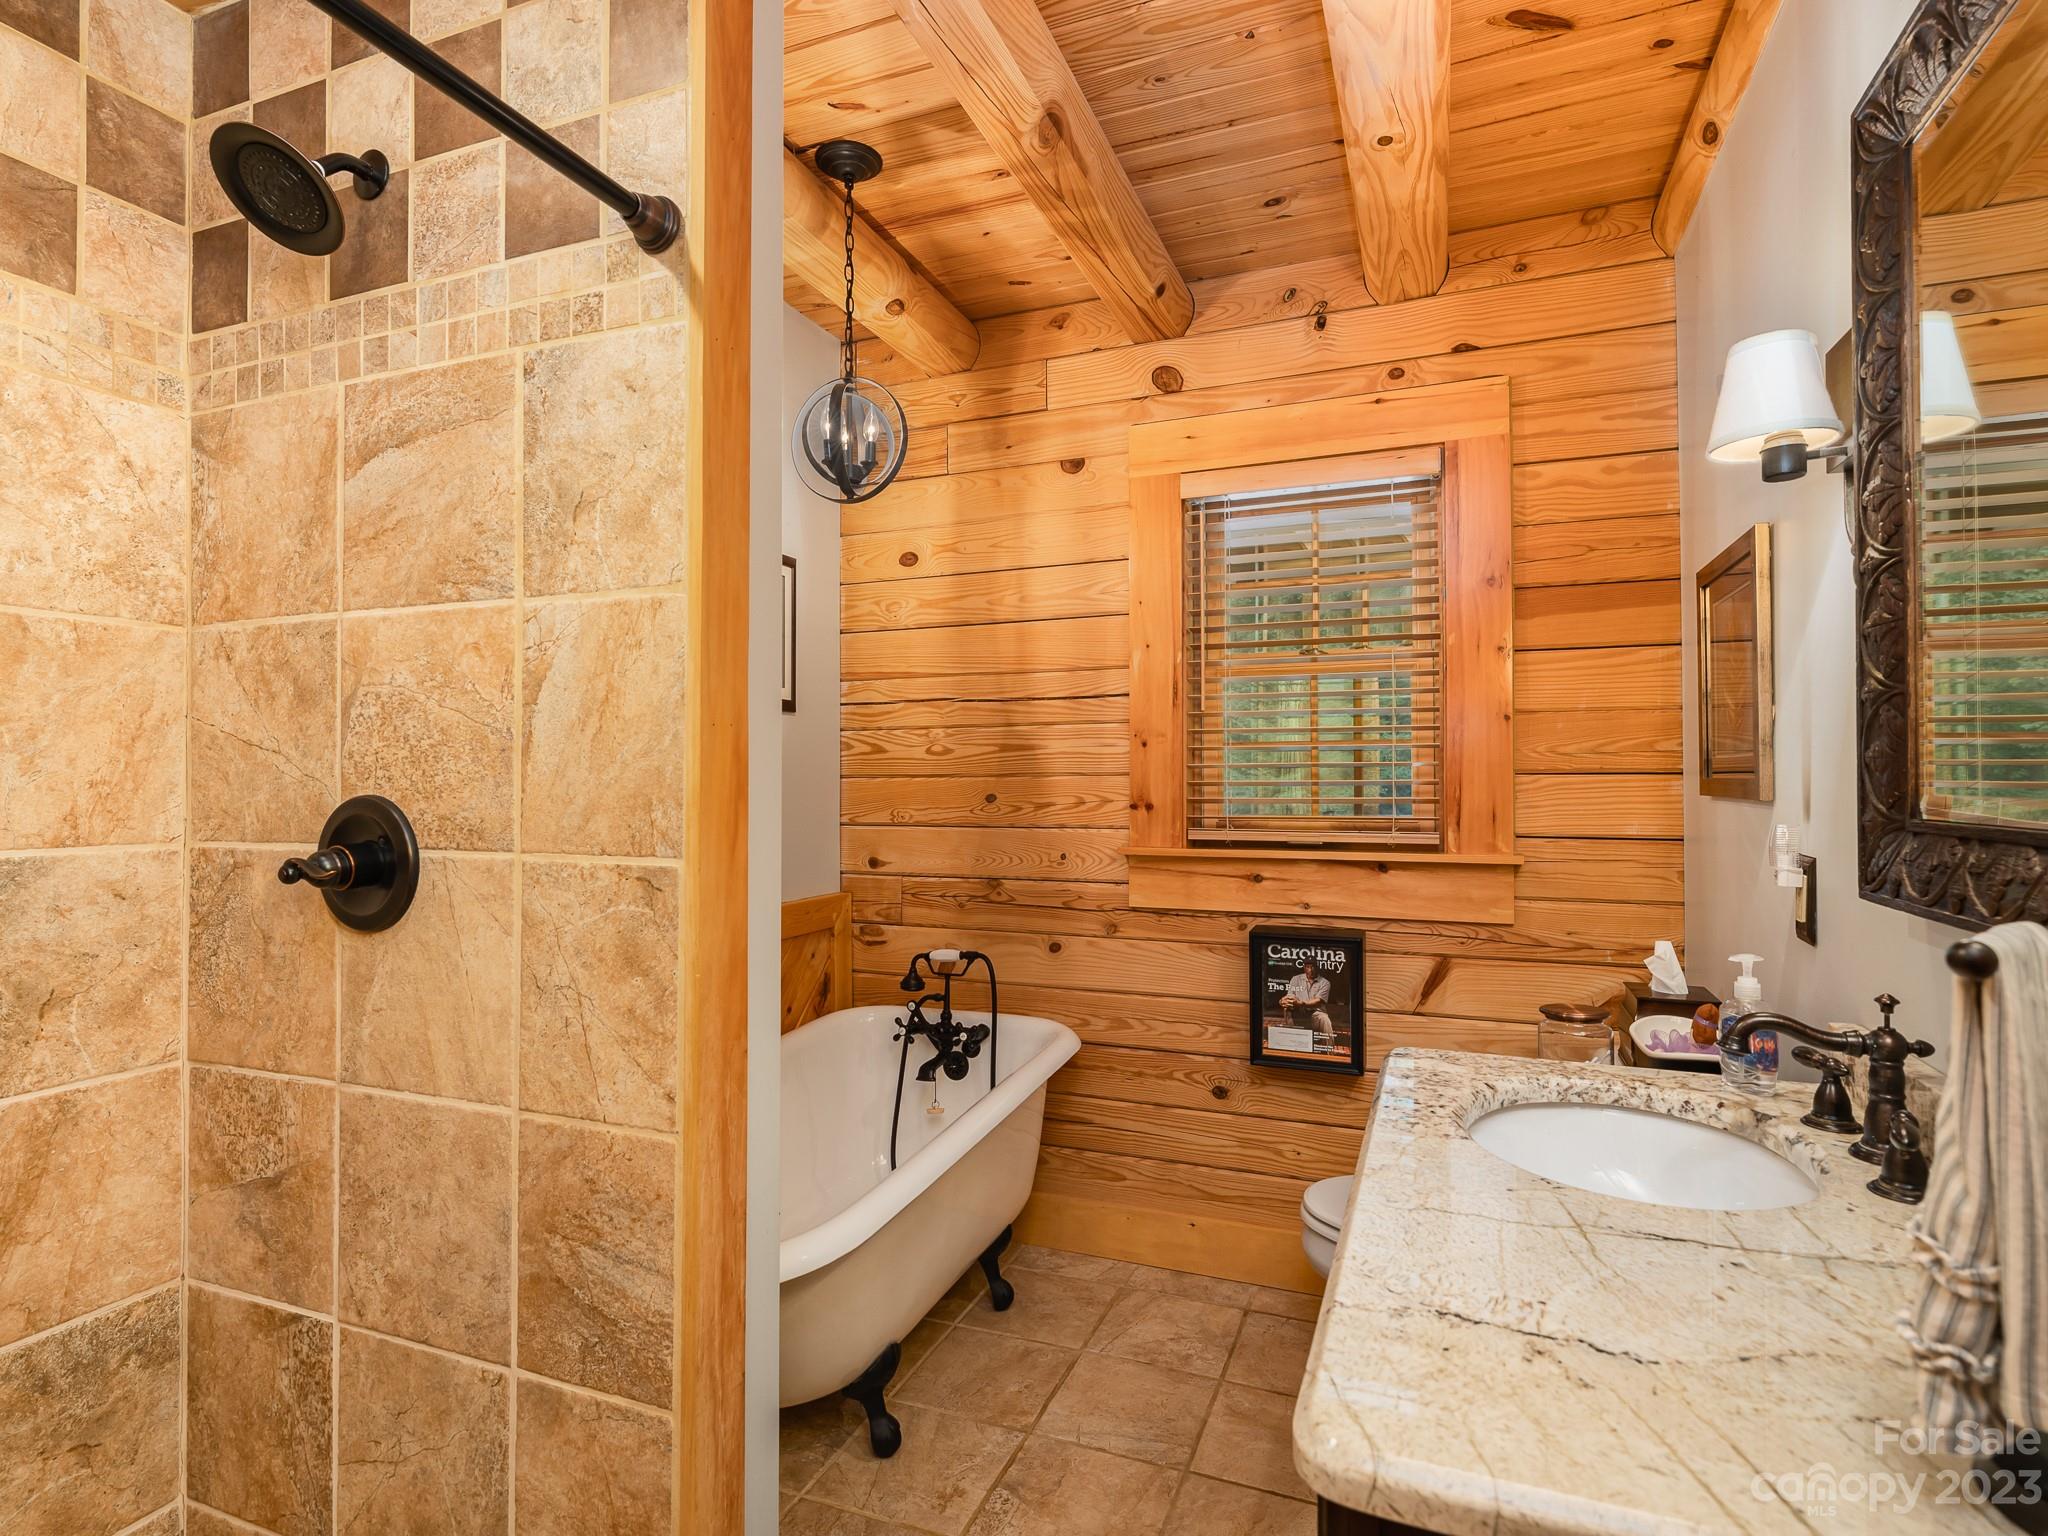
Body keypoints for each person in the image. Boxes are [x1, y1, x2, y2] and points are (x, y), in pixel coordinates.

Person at [1279, 958, 1334, 1036]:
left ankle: (1329, 1047)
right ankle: (1292, 1039)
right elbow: (1290, 996)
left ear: (1317, 967)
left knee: (1324, 1019)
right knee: (1287, 1008)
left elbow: (1318, 1000)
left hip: (1316, 1013)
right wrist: (1283, 1001)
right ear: (1304, 967)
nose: (1310, 970)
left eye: (1313, 967)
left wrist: (1300, 1003)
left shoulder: (1325, 983)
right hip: (1299, 1012)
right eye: (1308, 967)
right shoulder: (1296, 979)